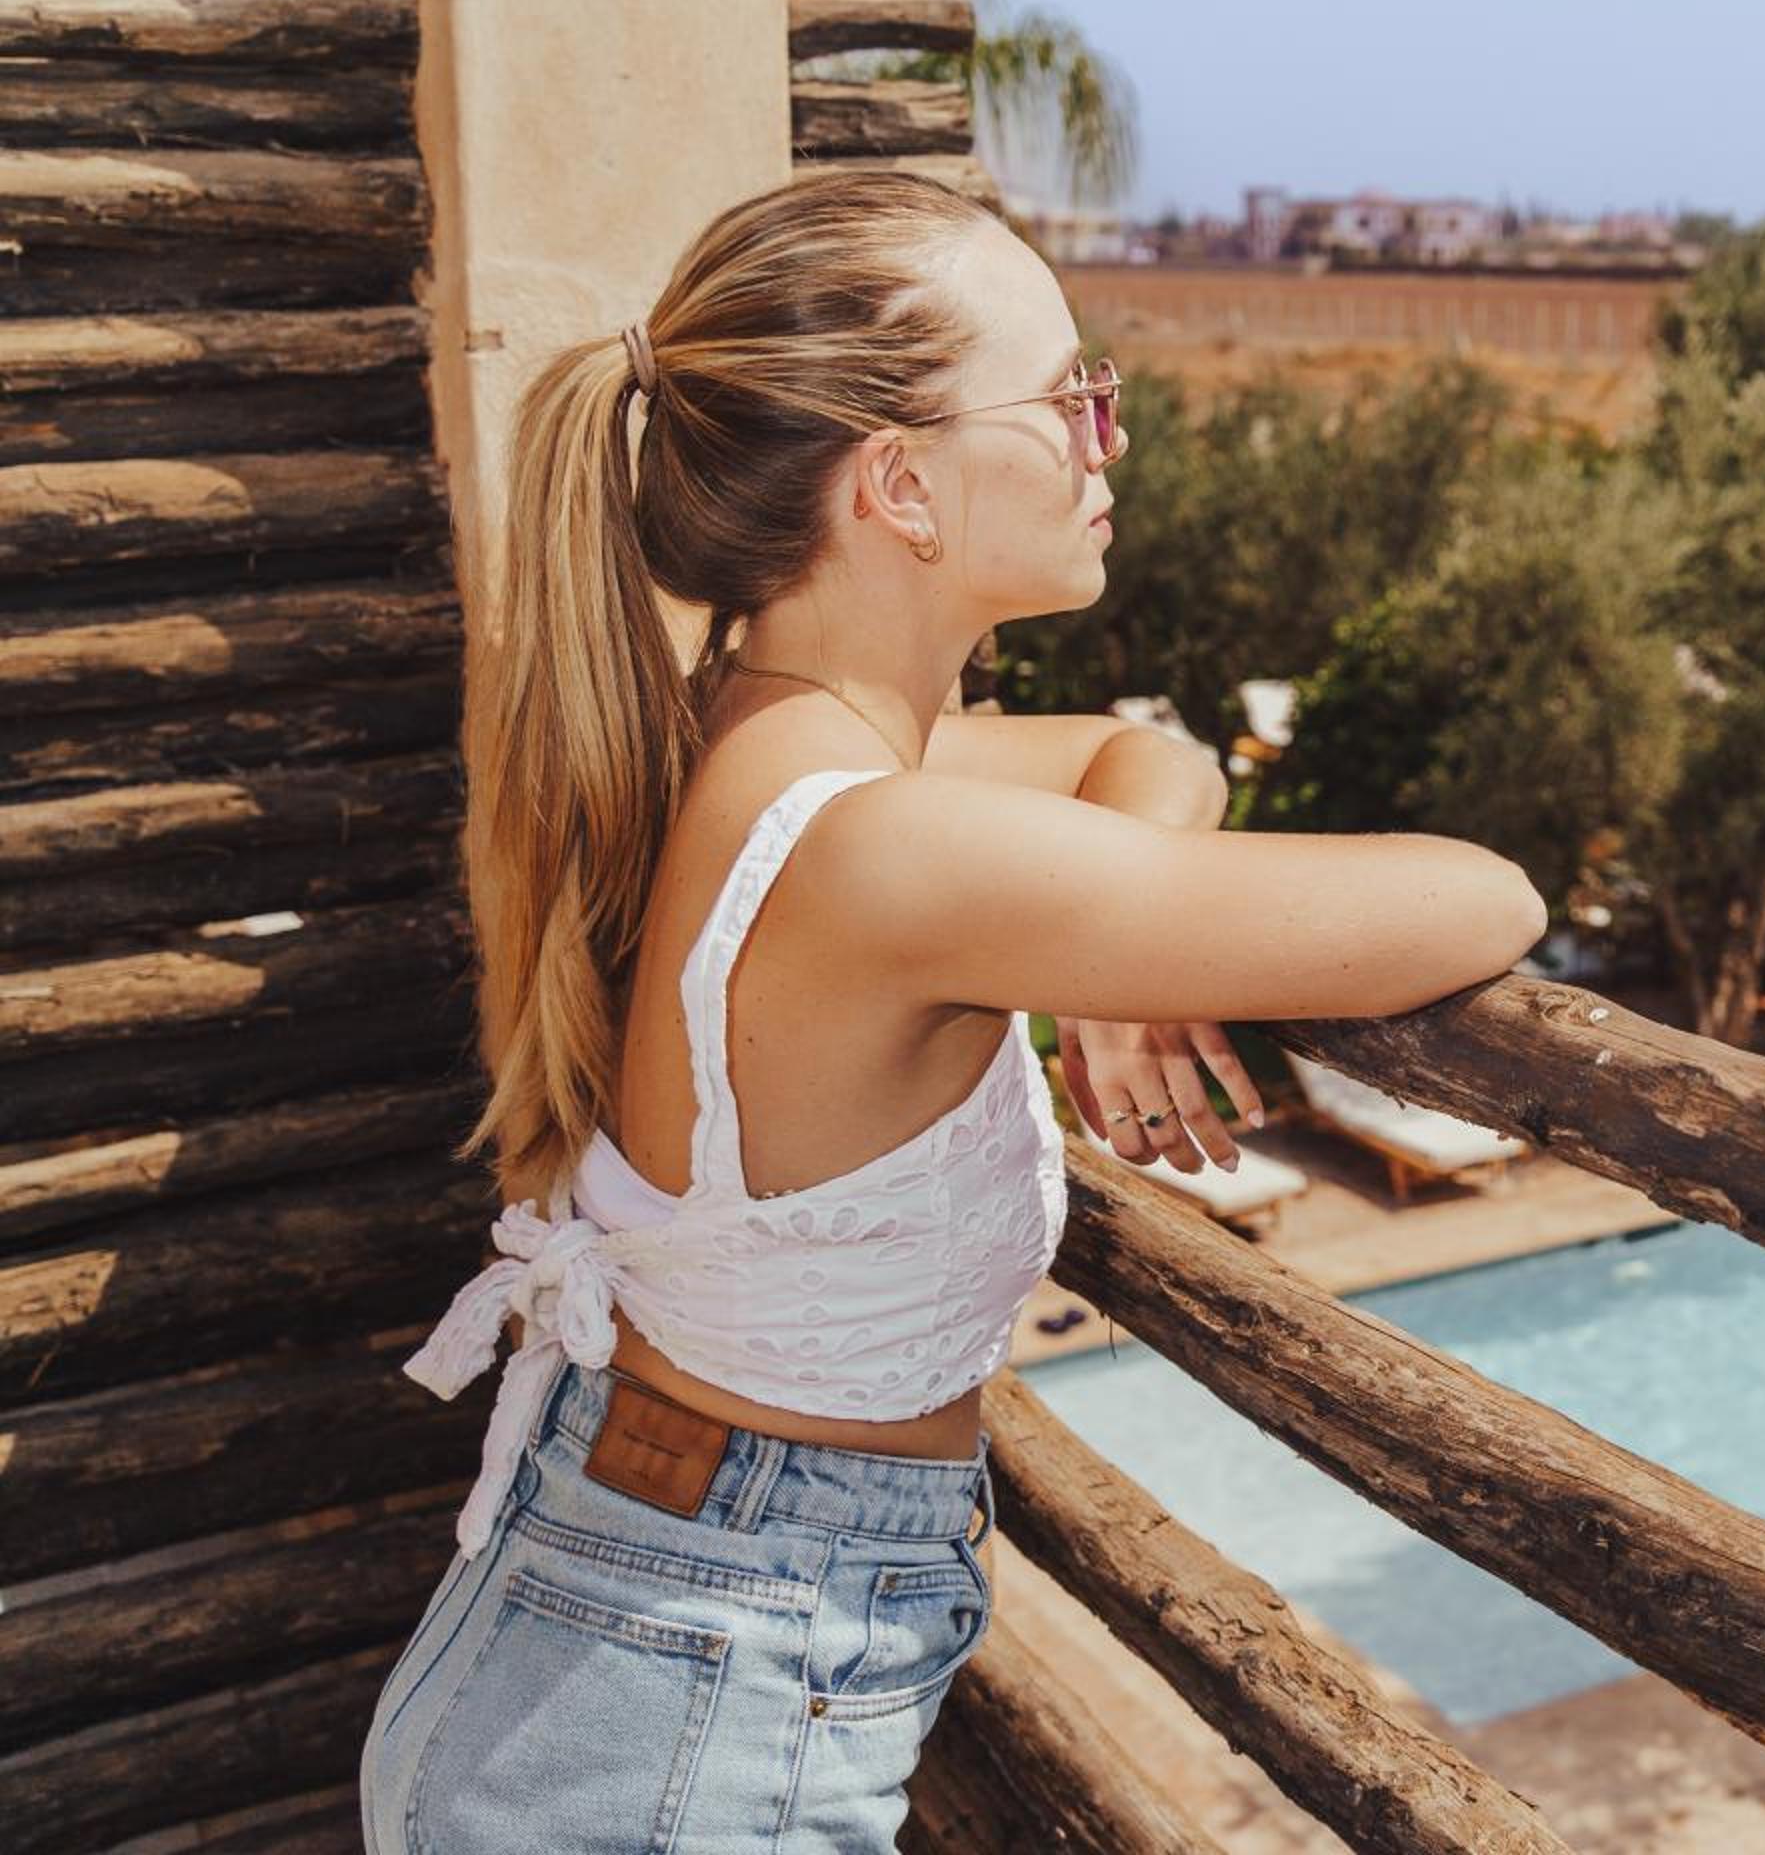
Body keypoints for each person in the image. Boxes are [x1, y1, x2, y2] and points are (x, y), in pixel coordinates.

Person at [357, 170, 1547, 1853]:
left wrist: (1117, 938)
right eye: (1068, 398)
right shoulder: (884, 849)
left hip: (613, 1659)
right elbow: (1486, 897)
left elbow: (1140, 754)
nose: (1108, 441)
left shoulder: (753, 735)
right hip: (673, 1734)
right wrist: (1120, 932)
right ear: (899, 483)